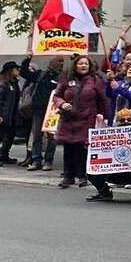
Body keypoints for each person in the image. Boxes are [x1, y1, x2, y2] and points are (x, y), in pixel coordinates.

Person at [51, 55, 110, 189]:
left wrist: (107, 117)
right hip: (69, 119)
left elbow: (103, 99)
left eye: (86, 64)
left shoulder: (95, 80)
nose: (83, 66)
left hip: (87, 119)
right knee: (68, 148)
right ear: (75, 65)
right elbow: (57, 96)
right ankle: (68, 176)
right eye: (80, 64)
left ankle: (82, 175)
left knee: (82, 148)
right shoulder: (67, 79)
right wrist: (62, 104)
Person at [85, 108, 131, 203]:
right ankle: (104, 192)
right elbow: (99, 154)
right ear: (117, 122)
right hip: (112, 170)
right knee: (91, 169)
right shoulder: (107, 134)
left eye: (129, 119)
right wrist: (90, 147)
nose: (126, 122)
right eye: (122, 120)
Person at [20, 55, 63, 172]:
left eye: (63, 61)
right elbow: (24, 73)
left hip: (53, 112)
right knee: (37, 136)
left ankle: (48, 161)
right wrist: (27, 59)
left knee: (52, 137)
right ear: (52, 62)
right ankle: (36, 160)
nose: (62, 63)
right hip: (39, 110)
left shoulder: (62, 78)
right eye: (59, 60)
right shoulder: (41, 74)